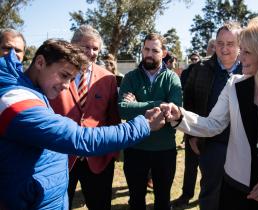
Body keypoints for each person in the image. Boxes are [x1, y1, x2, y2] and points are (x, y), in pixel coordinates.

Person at [161, 16, 258, 210]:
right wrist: (180, 116)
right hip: (238, 191)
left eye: (247, 52)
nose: (240, 57)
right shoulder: (234, 84)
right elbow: (213, 124)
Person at [0, 39, 165, 210]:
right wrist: (143, 125)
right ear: (40, 62)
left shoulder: (32, 90)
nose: (65, 86)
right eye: (64, 75)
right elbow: (80, 138)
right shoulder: (16, 101)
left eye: (70, 79)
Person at [172, 21, 242, 209]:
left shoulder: (250, 70)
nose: (224, 48)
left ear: (240, 45)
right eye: (220, 43)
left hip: (242, 147)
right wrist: (192, 135)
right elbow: (189, 102)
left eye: (230, 43)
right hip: (211, 144)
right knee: (211, 193)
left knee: (239, 195)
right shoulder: (200, 68)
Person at [48, 25, 118, 210]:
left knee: (100, 204)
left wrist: (111, 153)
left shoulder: (108, 78)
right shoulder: (54, 74)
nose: (91, 52)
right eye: (86, 47)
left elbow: (113, 119)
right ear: (72, 46)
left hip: (97, 157)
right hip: (60, 156)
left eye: (95, 49)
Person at [118, 33, 182, 210]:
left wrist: (137, 105)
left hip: (165, 150)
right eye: (146, 49)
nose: (149, 54)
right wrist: (158, 103)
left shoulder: (172, 78)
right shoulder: (130, 77)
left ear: (163, 52)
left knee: (162, 201)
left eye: (155, 50)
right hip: (135, 148)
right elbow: (122, 108)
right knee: (136, 200)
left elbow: (174, 109)